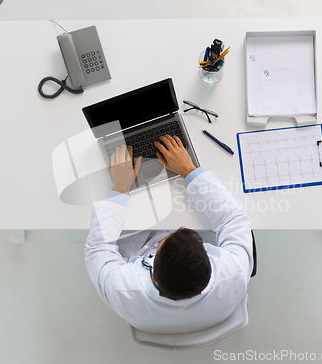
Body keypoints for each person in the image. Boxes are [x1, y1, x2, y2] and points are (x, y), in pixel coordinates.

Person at [84, 134, 254, 334]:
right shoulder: (234, 272)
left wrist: (120, 187)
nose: (168, 233)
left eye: (161, 244)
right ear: (209, 264)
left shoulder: (123, 289)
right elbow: (233, 219)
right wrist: (189, 171)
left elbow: (97, 247)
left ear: (153, 274)